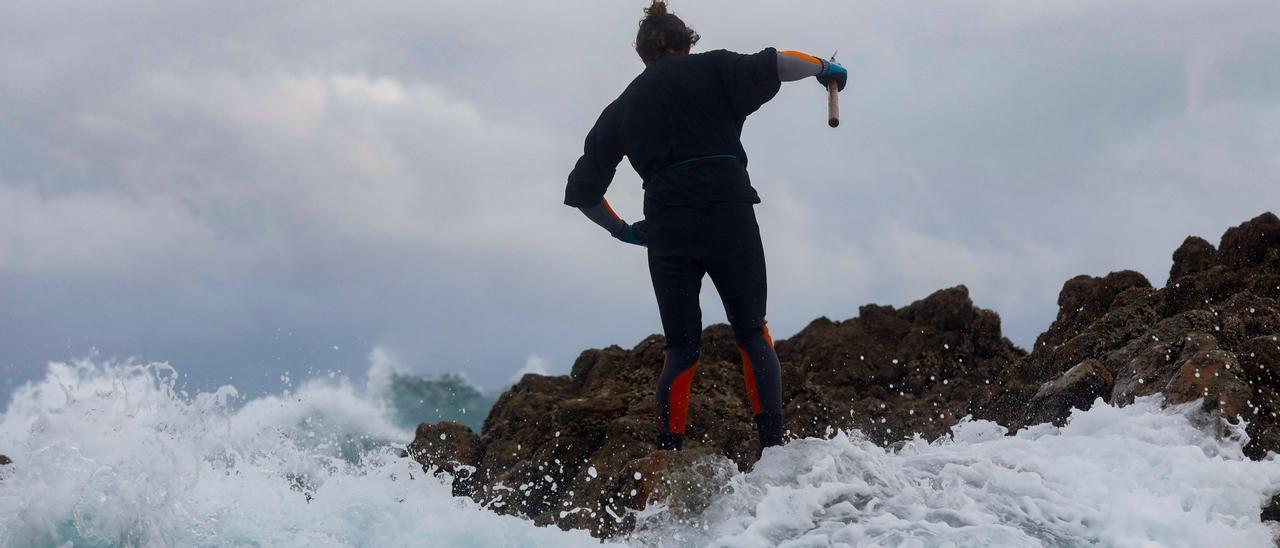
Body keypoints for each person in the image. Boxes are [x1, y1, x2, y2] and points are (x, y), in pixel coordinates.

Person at [563, 1, 846, 454]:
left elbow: (583, 192)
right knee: (752, 333)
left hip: (668, 226)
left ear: (642, 55)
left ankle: (669, 453)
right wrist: (824, 67)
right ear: (687, 44)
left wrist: (623, 230)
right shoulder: (716, 69)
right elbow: (779, 62)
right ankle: (771, 451)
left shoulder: (622, 107)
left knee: (681, 349)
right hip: (728, 212)